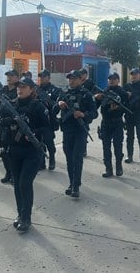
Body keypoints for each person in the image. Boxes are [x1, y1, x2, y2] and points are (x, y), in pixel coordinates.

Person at [0, 77, 49, 232]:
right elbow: (0, 118)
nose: (19, 89)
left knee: (24, 183)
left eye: (23, 87)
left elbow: (50, 127)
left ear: (32, 89)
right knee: (16, 183)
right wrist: (9, 120)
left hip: (32, 151)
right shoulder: (11, 105)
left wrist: (34, 132)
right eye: (18, 87)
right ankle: (20, 214)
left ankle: (26, 218)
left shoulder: (38, 106)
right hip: (14, 150)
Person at [57, 70, 97, 198]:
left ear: (81, 79)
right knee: (69, 158)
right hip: (67, 130)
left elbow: (94, 113)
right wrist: (59, 104)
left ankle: (75, 186)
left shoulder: (86, 95)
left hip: (80, 130)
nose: (71, 81)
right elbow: (53, 108)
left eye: (74, 78)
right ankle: (71, 183)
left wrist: (83, 114)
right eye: (70, 79)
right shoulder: (64, 94)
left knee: (77, 158)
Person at [94, 72, 129, 177]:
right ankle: (108, 169)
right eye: (109, 79)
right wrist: (96, 98)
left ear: (118, 80)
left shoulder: (122, 93)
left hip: (117, 122)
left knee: (118, 146)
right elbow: (95, 107)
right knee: (106, 147)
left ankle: (119, 167)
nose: (111, 81)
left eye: (114, 79)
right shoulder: (104, 91)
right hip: (105, 122)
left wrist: (118, 108)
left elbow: (128, 107)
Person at [37, 69, 62, 170]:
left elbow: (57, 106)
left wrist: (49, 104)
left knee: (49, 142)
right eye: (40, 77)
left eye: (44, 77)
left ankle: (52, 159)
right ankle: (41, 162)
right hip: (38, 120)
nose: (42, 79)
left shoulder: (54, 90)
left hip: (49, 120)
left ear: (48, 77)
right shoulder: (36, 89)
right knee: (39, 142)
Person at [0, 69, 19, 183]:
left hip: (13, 124)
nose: (9, 78)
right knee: (3, 149)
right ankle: (8, 172)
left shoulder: (19, 90)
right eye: (8, 76)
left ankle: (15, 175)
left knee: (13, 151)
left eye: (11, 76)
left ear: (17, 77)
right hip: (3, 123)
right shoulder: (3, 89)